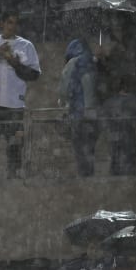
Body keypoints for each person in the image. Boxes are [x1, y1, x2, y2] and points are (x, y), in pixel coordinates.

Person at [0, 11, 40, 179]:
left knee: (15, 149)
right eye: (9, 22)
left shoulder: (26, 46)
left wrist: (14, 62)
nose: (13, 26)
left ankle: (14, 183)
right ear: (1, 23)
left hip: (14, 107)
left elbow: (34, 75)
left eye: (16, 23)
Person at [95, 16, 136, 176]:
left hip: (125, 96)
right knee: (120, 135)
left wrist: (105, 59)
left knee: (123, 134)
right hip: (122, 96)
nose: (115, 29)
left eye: (117, 26)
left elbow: (122, 71)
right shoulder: (126, 47)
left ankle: (123, 170)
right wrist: (103, 59)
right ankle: (121, 170)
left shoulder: (129, 47)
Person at [58, 39, 98, 177]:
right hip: (92, 115)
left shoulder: (72, 63)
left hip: (77, 113)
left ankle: (84, 180)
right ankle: (89, 179)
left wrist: (63, 102)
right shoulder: (92, 62)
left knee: (80, 150)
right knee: (89, 151)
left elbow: (63, 90)